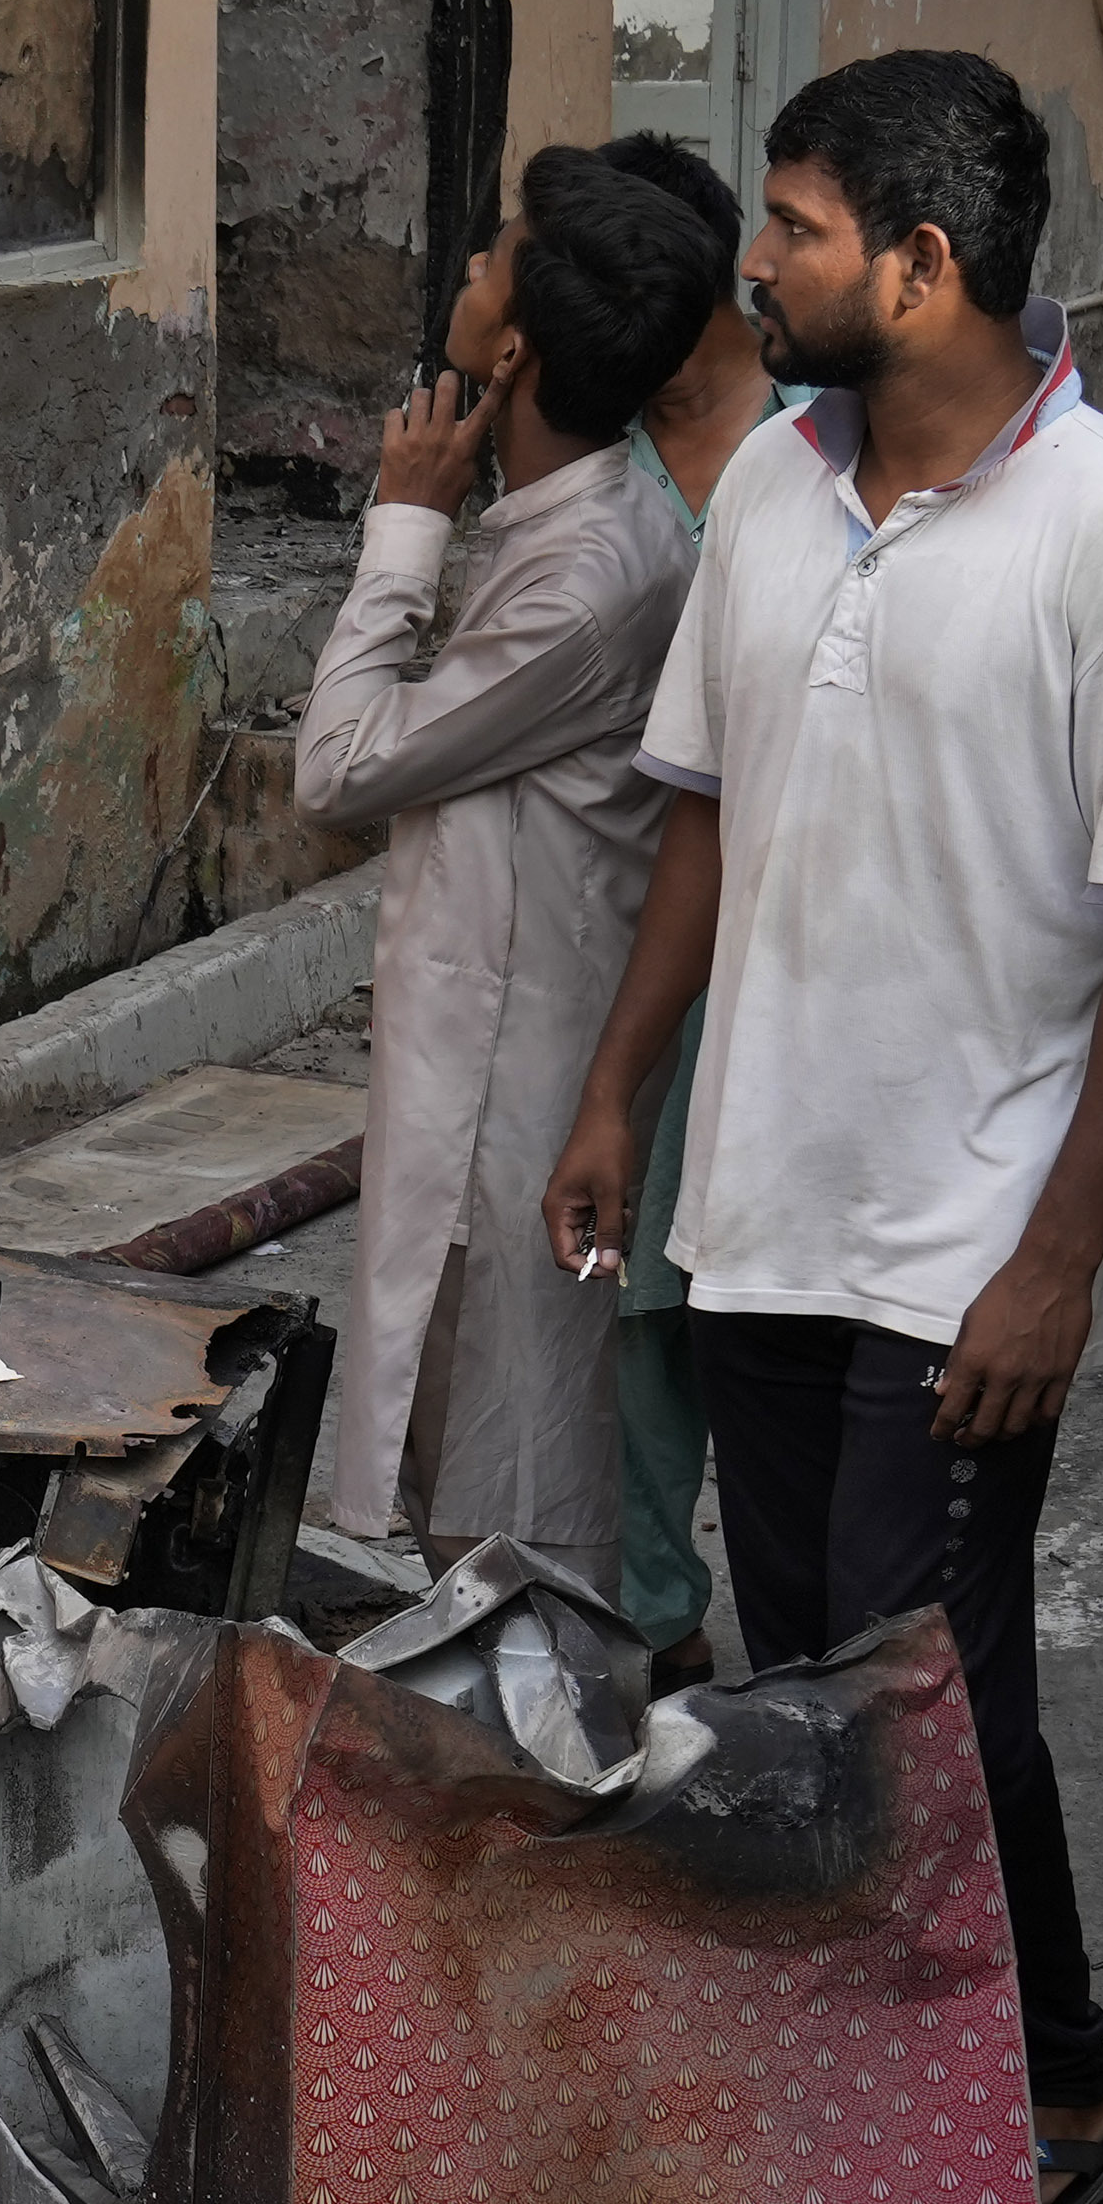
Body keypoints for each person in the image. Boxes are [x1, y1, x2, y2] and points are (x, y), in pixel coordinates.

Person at [531, 49, 1103, 2204]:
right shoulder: (769, 481)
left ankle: (1054, 2092)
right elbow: (711, 810)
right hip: (759, 1201)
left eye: (795, 231)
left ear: (924, 269)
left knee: (933, 1685)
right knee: (807, 1676)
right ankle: (880, 2056)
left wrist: (1058, 1259)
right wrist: (616, 1092)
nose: (752, 267)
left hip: (962, 1231)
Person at [287, 144, 723, 1564]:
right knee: (475, 1440)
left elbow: (338, 768)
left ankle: (532, 1752)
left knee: (519, 1465)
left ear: (517, 342)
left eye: (489, 256)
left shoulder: (590, 573)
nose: (466, 269)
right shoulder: (566, 526)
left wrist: (405, 520)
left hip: (517, 1075)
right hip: (489, 1041)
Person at [583, 131, 785, 1658]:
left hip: (776, 973)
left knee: (746, 1330)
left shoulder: (808, 470)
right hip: (623, 949)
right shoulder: (596, 480)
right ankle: (660, 1628)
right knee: (635, 1332)